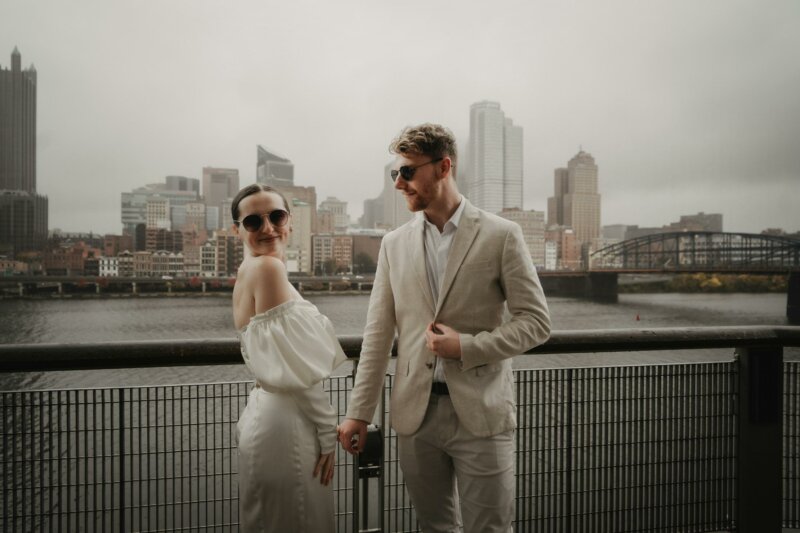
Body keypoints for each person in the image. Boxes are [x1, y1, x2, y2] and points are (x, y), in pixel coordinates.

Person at [338, 123, 551, 532]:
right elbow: (378, 336)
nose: (399, 184)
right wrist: (358, 413)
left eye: (408, 172)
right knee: (433, 527)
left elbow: (536, 323)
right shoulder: (393, 244)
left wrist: (467, 346)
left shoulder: (502, 235)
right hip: (416, 416)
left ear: (443, 167)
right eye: (394, 174)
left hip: (482, 412)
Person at [231, 184, 346, 533]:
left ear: (290, 221)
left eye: (276, 216)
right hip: (288, 427)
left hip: (265, 416)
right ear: (238, 230)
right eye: (253, 221)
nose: (267, 227)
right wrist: (329, 431)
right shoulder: (268, 269)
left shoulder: (248, 269)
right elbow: (295, 372)